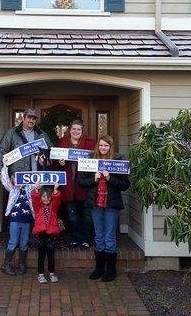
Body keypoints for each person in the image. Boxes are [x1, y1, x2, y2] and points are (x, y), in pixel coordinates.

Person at [0, 108, 53, 274]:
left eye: (34, 118)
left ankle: (31, 241)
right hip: (18, 181)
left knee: (37, 209)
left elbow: (50, 153)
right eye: (28, 117)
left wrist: (45, 159)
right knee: (18, 212)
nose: (31, 120)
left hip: (36, 182)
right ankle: (13, 255)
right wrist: (1, 173)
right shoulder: (12, 133)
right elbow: (1, 153)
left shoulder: (42, 134)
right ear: (23, 118)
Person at [79, 135, 130, 282]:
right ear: (97, 146)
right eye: (101, 145)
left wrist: (110, 178)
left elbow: (125, 185)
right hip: (96, 204)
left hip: (111, 205)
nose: (103, 148)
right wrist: (93, 179)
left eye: (106, 146)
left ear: (110, 147)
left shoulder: (118, 161)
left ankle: (111, 270)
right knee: (99, 236)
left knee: (109, 237)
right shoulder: (90, 160)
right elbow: (81, 182)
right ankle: (99, 268)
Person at [56, 119, 95, 249]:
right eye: (74, 129)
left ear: (82, 130)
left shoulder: (90, 143)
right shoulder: (62, 143)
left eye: (78, 129)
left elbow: (96, 160)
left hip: (84, 185)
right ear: (70, 130)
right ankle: (75, 238)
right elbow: (55, 163)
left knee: (86, 215)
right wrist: (60, 163)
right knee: (72, 215)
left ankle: (85, 239)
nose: (76, 131)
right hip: (68, 185)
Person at [0, 159, 35, 275]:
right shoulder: (13, 190)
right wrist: (4, 166)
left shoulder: (29, 189)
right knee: (13, 242)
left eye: (21, 178)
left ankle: (22, 265)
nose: (18, 180)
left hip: (27, 221)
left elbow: (38, 181)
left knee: (24, 243)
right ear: (13, 180)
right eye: (15, 178)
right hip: (15, 221)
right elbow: (5, 181)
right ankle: (6, 265)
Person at [31, 182, 61, 283]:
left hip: (51, 234)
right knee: (41, 255)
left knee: (51, 255)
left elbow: (56, 199)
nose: (46, 199)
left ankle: (52, 273)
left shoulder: (54, 208)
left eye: (48, 197)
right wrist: (35, 190)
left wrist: (56, 190)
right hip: (41, 234)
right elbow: (35, 199)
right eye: (43, 196)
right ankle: (41, 274)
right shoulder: (38, 207)